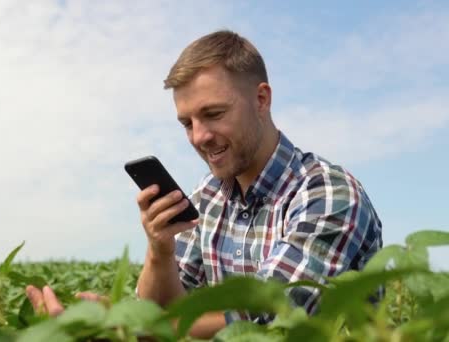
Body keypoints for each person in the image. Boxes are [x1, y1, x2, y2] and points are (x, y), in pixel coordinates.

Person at [26, 30, 383, 338]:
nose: (199, 137)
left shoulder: (327, 194)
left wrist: (126, 325)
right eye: (186, 123)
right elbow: (166, 311)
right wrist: (159, 250)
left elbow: (265, 320)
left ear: (261, 99)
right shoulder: (207, 199)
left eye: (213, 114)